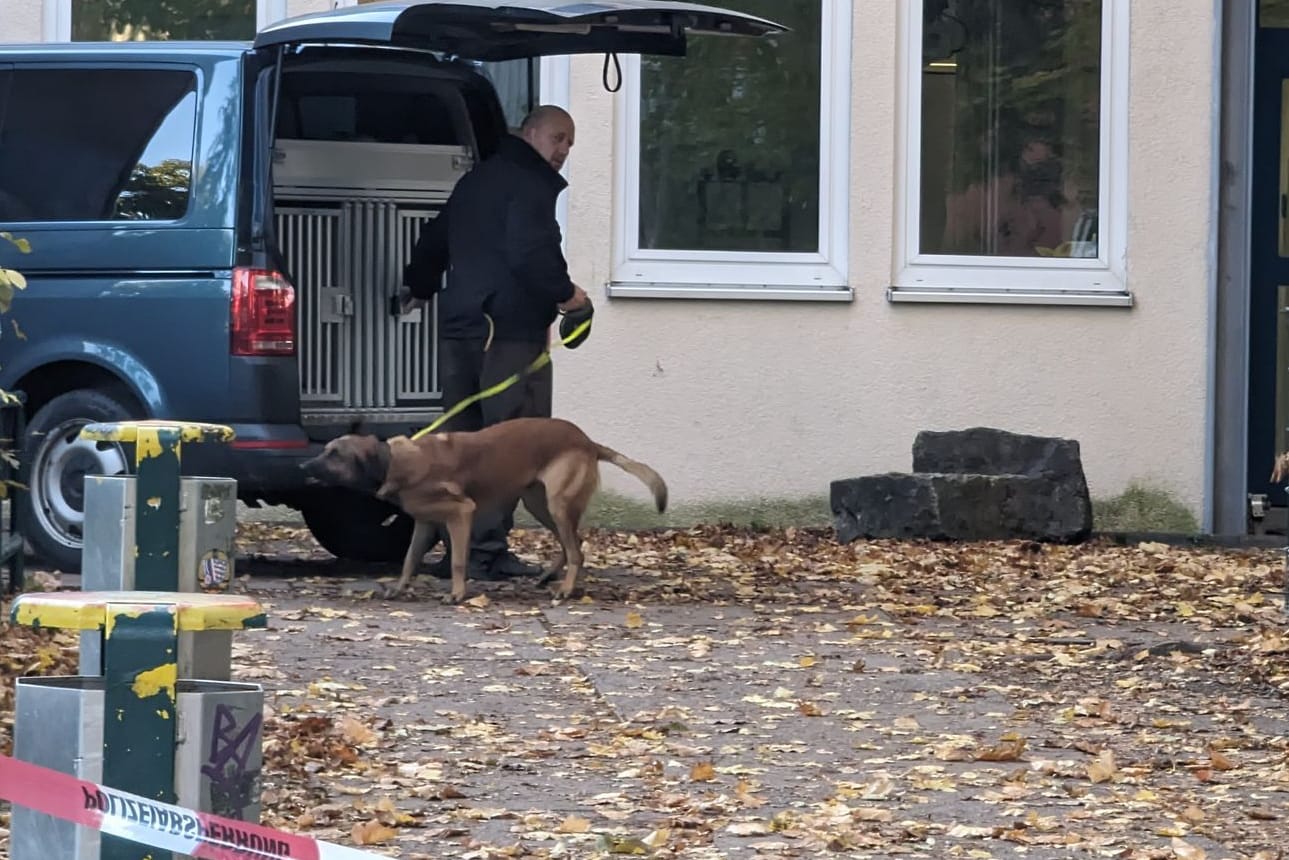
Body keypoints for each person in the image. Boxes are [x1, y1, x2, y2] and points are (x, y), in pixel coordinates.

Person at [399, 104, 589, 580]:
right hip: (508, 334)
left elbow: (435, 240)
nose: (563, 150)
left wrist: (418, 287)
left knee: (457, 445)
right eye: (558, 138)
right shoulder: (529, 186)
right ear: (530, 134)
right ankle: (485, 553)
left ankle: (456, 552)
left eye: (570, 143)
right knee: (511, 448)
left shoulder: (476, 181)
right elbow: (531, 252)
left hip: (461, 327)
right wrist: (568, 296)